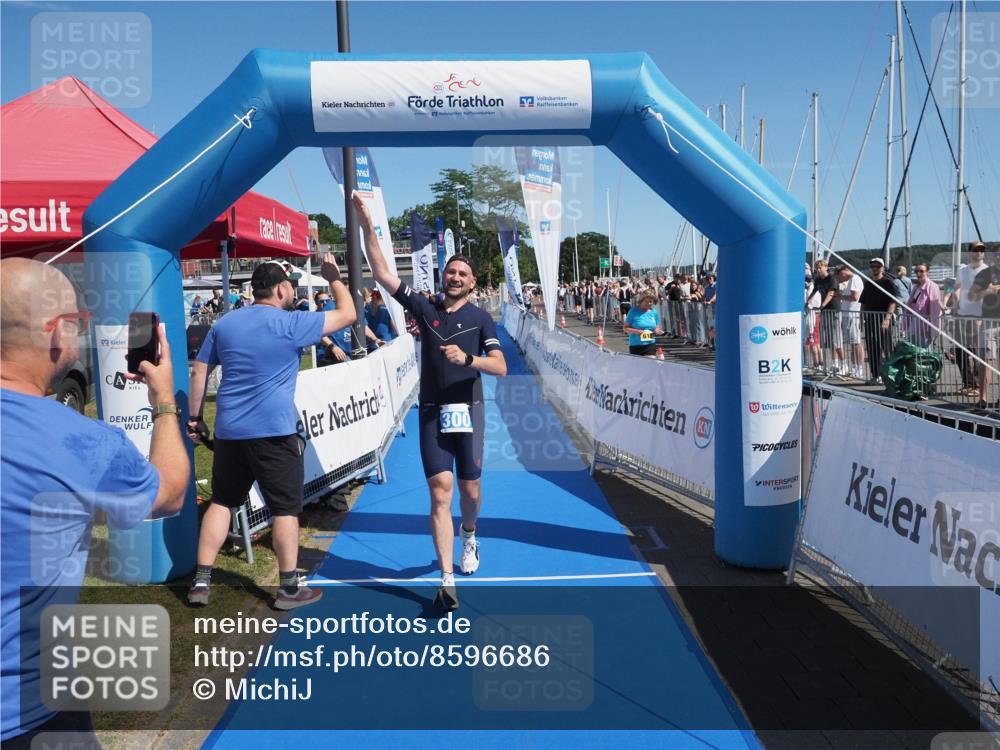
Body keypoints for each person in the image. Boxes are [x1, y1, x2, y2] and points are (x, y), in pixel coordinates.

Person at [1, 258, 188, 745]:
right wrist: (164, 400)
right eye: (78, 322)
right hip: (30, 714)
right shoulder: (80, 441)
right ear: (56, 334)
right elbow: (169, 493)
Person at [352, 192, 506, 611]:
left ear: (472, 283)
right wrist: (367, 223)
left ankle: (470, 535)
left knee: (469, 493)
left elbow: (500, 365)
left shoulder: (481, 319)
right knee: (441, 492)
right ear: (443, 276)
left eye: (462, 274)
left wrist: (469, 358)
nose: (455, 277)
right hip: (433, 414)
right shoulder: (425, 307)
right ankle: (446, 577)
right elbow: (382, 272)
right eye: (451, 271)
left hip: (469, 413)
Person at [185, 255, 356, 610]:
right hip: (273, 433)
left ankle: (201, 581)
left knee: (222, 502)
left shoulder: (225, 324)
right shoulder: (291, 323)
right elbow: (348, 315)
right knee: (284, 509)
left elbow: (200, 371)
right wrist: (334, 278)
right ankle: (289, 588)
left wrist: (195, 418)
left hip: (231, 430)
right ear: (281, 289)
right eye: (289, 285)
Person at [953, 241, 988, 396]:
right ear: (971, 252)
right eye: (976, 249)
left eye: (982, 249)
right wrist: (954, 300)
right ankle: (968, 383)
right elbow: (957, 287)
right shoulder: (963, 271)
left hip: (980, 318)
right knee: (960, 351)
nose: (979, 252)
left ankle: (977, 387)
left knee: (977, 353)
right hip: (962, 316)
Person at [968, 245, 1000, 410]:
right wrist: (988, 291)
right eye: (996, 254)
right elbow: (972, 295)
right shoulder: (985, 274)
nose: (998, 257)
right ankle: (983, 399)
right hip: (988, 323)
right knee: (985, 363)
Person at [859, 258, 898, 384]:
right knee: (872, 348)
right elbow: (863, 302)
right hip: (870, 319)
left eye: (878, 266)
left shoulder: (888, 282)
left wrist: (888, 318)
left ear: (883, 268)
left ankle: (891, 375)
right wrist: (861, 318)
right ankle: (875, 375)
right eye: (873, 266)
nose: (875, 268)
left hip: (883, 319)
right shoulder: (869, 283)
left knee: (886, 348)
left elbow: (893, 302)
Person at [904, 263, 943, 349]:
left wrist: (934, 329)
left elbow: (935, 309)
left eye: (921, 271)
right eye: (916, 271)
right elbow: (913, 304)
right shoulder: (916, 287)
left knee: (924, 355)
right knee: (914, 353)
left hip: (925, 328)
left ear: (927, 272)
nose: (918, 274)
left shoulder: (933, 287)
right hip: (914, 325)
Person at [624, 289, 664, 356]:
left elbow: (657, 325)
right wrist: (637, 331)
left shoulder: (654, 312)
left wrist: (657, 329)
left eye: (651, 302)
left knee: (650, 363)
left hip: (650, 344)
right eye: (647, 301)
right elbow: (625, 328)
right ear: (641, 300)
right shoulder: (633, 311)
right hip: (636, 345)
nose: (649, 304)